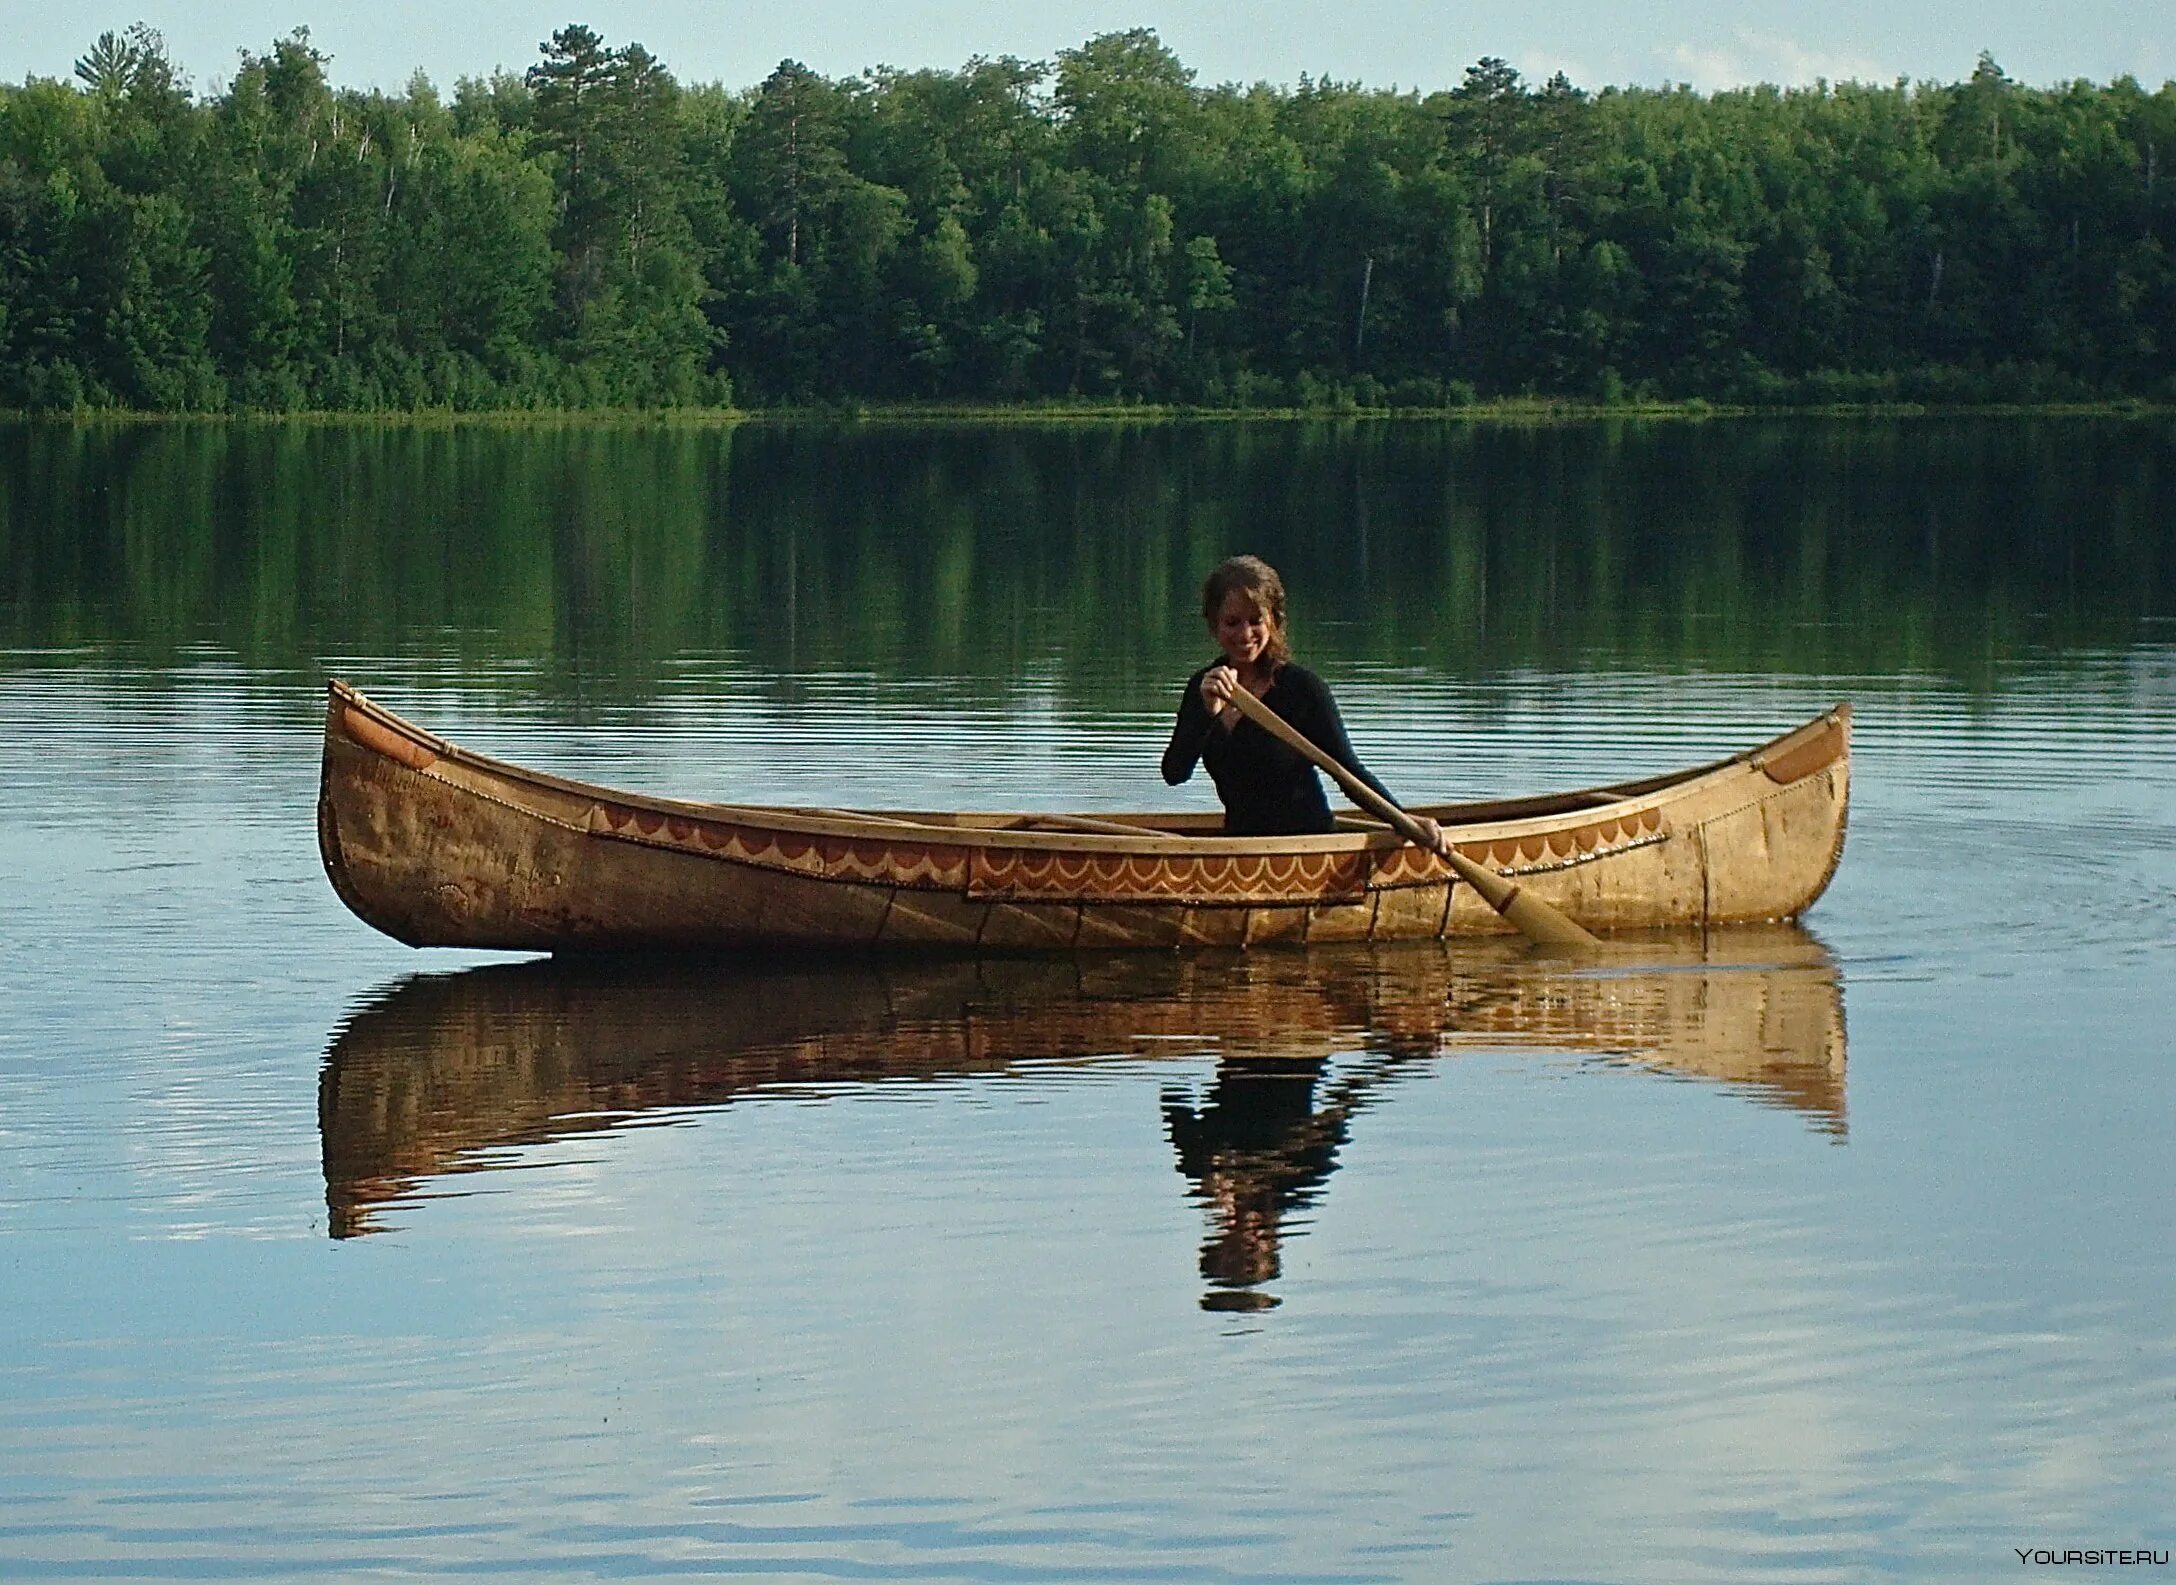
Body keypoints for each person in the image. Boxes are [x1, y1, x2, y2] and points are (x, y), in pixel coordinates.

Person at [1161, 555, 1446, 850]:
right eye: (1232, 622)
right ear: (1214, 625)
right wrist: (1208, 714)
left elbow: (1349, 775)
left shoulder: (1302, 690)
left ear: (1274, 622)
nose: (1245, 634)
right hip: (1240, 848)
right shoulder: (1204, 687)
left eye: (1256, 621)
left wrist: (1405, 821)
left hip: (1309, 847)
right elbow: (1174, 774)